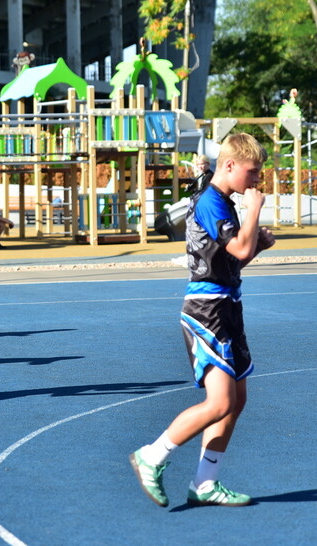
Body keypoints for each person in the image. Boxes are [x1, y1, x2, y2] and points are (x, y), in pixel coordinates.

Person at [129, 133, 276, 508]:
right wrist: (254, 213)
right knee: (219, 402)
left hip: (227, 306)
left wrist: (258, 244)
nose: (256, 181)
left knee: (236, 400)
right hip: (206, 311)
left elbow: (234, 259)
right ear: (229, 165)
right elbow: (238, 248)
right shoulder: (213, 202)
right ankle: (152, 455)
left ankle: (205, 482)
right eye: (252, 172)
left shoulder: (222, 201)